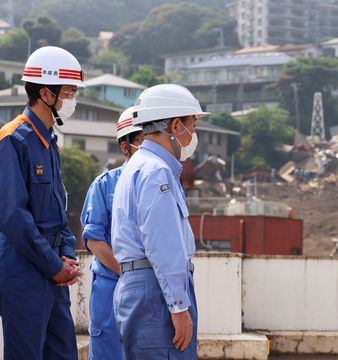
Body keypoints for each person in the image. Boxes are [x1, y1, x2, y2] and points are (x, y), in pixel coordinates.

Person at [112, 84, 208, 359]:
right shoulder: (157, 172)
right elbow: (162, 244)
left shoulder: (137, 167)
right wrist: (178, 306)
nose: (194, 134)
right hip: (156, 290)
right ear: (176, 125)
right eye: (193, 125)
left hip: (141, 285)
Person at [0, 46, 83, 359]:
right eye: (70, 92)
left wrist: (65, 256)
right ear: (46, 93)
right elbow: (12, 216)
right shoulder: (12, 139)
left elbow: (59, 211)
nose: (73, 99)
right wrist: (53, 264)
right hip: (24, 270)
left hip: (52, 271)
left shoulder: (49, 143)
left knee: (62, 353)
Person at [81, 107, 143, 359]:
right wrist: (129, 275)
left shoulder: (163, 181)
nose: (146, 146)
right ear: (124, 146)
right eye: (139, 140)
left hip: (148, 289)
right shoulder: (104, 185)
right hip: (110, 287)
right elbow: (95, 240)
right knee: (108, 351)